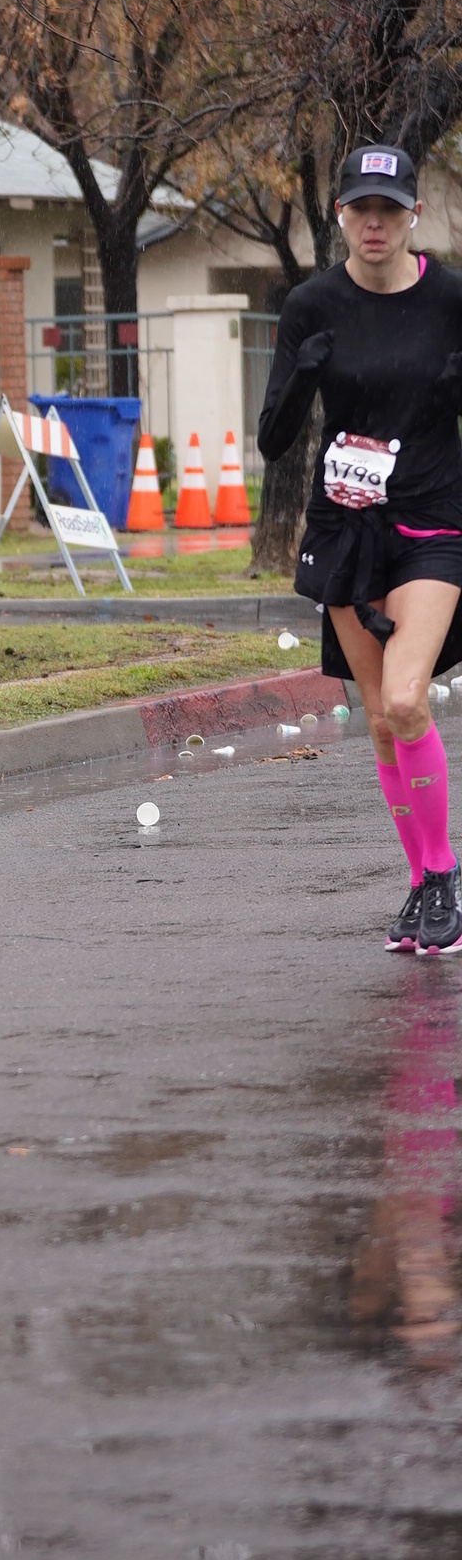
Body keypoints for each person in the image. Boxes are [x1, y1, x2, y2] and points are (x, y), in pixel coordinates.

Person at [257, 141, 462, 955]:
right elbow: (274, 440)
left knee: (406, 700)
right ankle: (420, 882)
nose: (375, 224)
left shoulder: (451, 297)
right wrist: (304, 376)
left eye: (390, 209)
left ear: (414, 215)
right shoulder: (311, 305)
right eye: (360, 209)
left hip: (433, 520)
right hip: (347, 526)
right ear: (340, 215)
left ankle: (442, 875)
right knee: (379, 721)